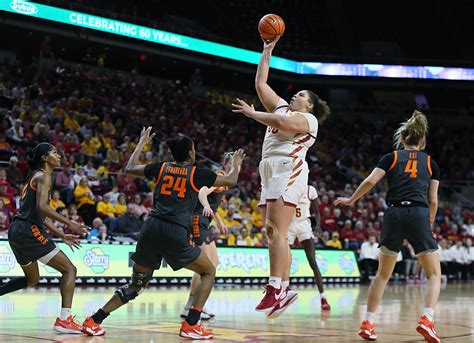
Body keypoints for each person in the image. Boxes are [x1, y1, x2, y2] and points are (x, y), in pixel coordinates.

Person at [81, 128, 245, 339]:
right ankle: (191, 324)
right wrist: (238, 163)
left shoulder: (162, 168)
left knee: (136, 284)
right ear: (191, 154)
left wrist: (141, 143)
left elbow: (129, 168)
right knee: (208, 272)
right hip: (174, 230)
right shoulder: (197, 173)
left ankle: (94, 320)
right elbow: (231, 181)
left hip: (150, 227)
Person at [232, 36, 330, 318]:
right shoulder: (281, 107)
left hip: (289, 168)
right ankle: (283, 288)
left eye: (300, 95)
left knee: (276, 230)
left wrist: (253, 114)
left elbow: (283, 124)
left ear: (309, 105)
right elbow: (261, 85)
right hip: (270, 168)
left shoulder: (308, 120)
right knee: (275, 232)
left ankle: (276, 287)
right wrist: (267, 51)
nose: (294, 96)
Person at [335, 110, 441, 342]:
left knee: (382, 275)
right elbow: (433, 200)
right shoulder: (431, 163)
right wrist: (429, 222)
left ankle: (368, 323)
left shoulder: (390, 157)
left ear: (402, 140)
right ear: (422, 141)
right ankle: (427, 318)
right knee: (434, 274)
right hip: (419, 213)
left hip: (394, 214)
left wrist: (352, 200)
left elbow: (371, 181)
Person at [0, 143, 88, 333]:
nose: (59, 155)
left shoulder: (34, 176)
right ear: (45, 158)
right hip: (28, 230)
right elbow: (42, 207)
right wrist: (70, 223)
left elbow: (43, 215)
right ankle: (65, 320)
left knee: (32, 279)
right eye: (54, 153)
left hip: (16, 231)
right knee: (69, 270)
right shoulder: (44, 175)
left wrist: (62, 234)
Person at [181, 152, 233, 321]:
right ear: (226, 165)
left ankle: (189, 305)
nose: (236, 168)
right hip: (197, 219)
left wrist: (220, 222)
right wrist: (205, 206)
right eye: (234, 164)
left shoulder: (225, 182)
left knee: (213, 263)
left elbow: (214, 205)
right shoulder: (219, 176)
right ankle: (197, 306)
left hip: (205, 223)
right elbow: (202, 192)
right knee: (205, 267)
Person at [287, 184, 331, 313]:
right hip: (289, 225)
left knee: (312, 260)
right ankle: (281, 292)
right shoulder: (287, 186)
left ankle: (323, 297)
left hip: (304, 224)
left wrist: (318, 226)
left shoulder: (310, 189)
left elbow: (317, 211)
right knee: (284, 259)